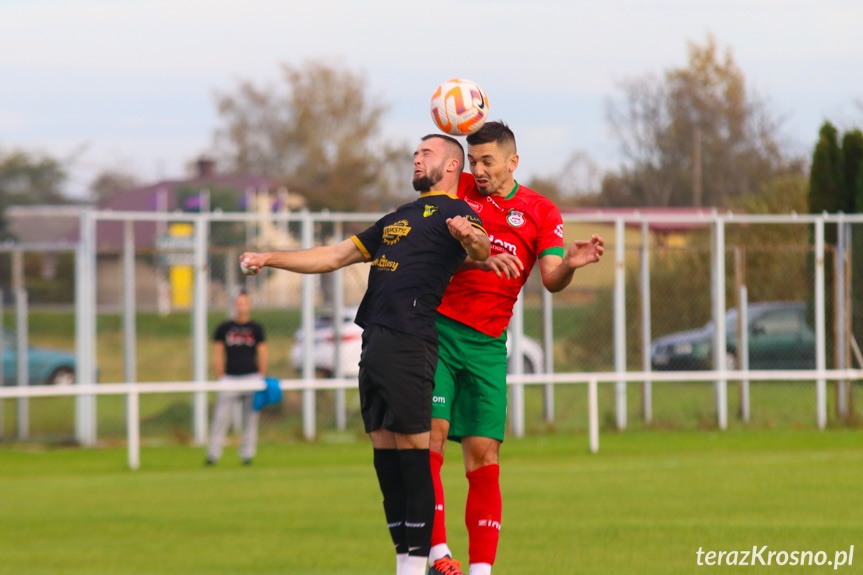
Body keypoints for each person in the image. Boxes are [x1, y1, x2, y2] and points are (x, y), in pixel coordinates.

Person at [241, 134, 490, 575]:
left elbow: (481, 250)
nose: (416, 159)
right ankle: (402, 563)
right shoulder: (397, 218)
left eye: (426, 153)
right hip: (372, 342)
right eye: (415, 154)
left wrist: (470, 238)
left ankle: (419, 565)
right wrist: (271, 257)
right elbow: (334, 255)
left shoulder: (459, 212)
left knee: (415, 458)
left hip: (411, 340)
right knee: (386, 459)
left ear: (453, 166)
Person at [427, 122, 605, 575]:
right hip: (440, 331)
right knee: (432, 434)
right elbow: (430, 173)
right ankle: (438, 555)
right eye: (474, 161)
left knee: (484, 452)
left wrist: (571, 265)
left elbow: (550, 278)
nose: (479, 170)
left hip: (488, 345)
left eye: (488, 161)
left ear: (513, 161)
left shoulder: (541, 211)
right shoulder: (460, 187)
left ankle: (482, 570)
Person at [206, 289, 268, 466]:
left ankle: (247, 455)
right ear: (234, 305)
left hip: (252, 378)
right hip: (230, 379)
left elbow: (262, 352)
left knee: (250, 420)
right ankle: (213, 455)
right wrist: (221, 375)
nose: (242, 307)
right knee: (220, 419)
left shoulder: (256, 328)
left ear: (250, 305)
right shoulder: (224, 328)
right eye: (239, 303)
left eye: (245, 303)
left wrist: (261, 376)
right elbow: (217, 353)